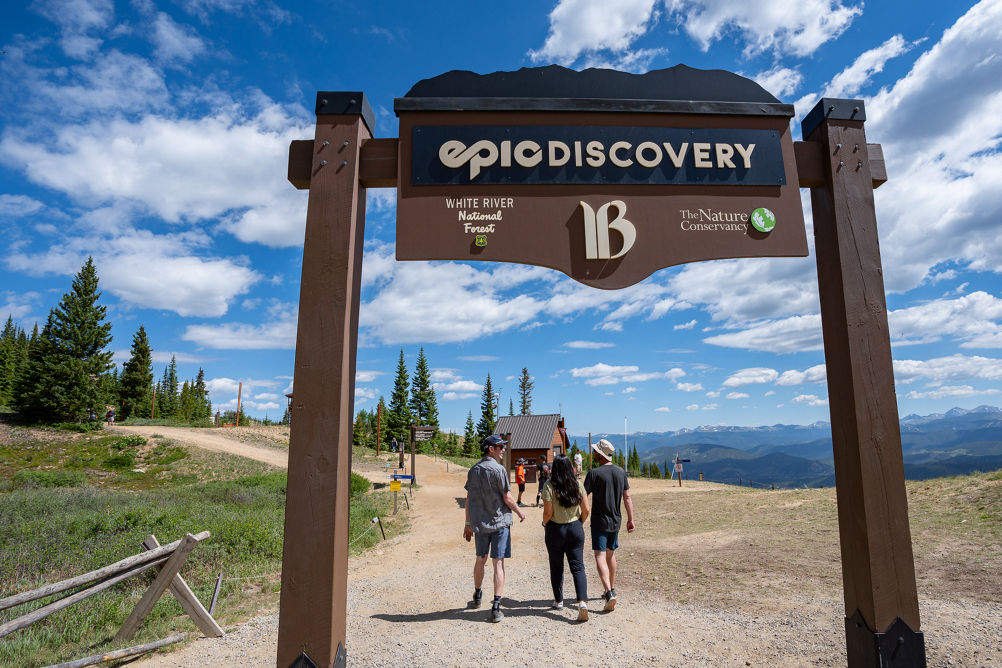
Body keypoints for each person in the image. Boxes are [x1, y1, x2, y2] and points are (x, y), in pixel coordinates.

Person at [464, 434, 526, 622]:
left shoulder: (473, 470)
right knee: (498, 563)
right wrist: (519, 512)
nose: (503, 450)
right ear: (491, 449)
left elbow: (469, 499)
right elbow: (507, 497)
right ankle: (496, 606)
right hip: (499, 524)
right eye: (500, 447)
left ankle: (477, 594)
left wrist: (467, 523)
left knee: (480, 560)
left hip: (480, 524)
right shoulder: (499, 470)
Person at [583, 438, 635, 612]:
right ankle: (611, 588)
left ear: (601, 454)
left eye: (595, 452)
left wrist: (581, 515)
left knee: (600, 555)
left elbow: (583, 496)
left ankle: (608, 592)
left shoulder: (593, 473)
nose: (593, 454)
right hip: (616, 520)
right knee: (610, 554)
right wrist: (631, 519)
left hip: (599, 521)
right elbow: (627, 497)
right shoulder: (621, 472)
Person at [541, 454, 590, 621]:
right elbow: (586, 509)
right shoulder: (578, 484)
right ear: (570, 468)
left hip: (555, 528)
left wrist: (544, 523)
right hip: (575, 527)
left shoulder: (549, 486)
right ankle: (582, 603)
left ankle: (559, 600)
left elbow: (548, 512)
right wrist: (579, 523)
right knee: (578, 566)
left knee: (556, 566)